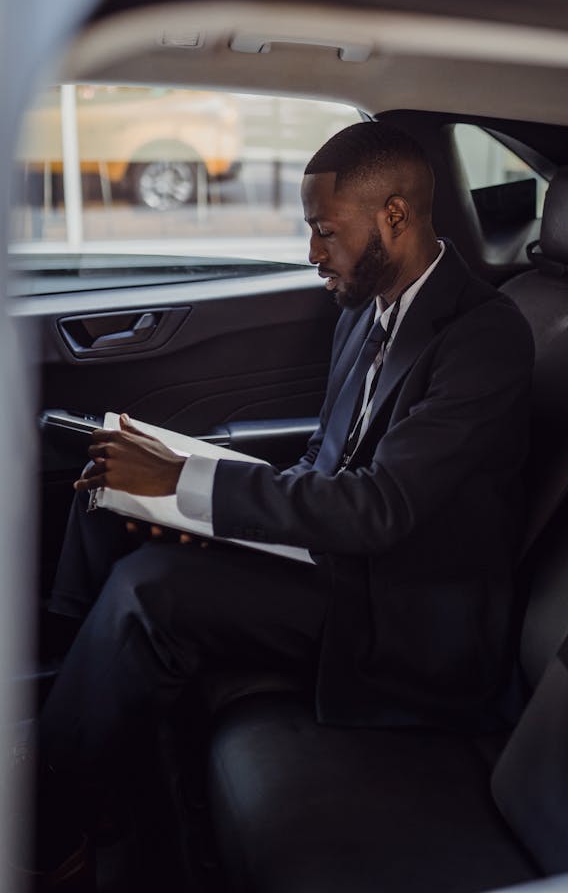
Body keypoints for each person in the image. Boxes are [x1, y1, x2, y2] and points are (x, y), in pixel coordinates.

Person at [26, 122, 534, 887]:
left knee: (150, 591)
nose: (311, 253)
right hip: (340, 556)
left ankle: (47, 819)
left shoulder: (485, 338)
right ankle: (66, 703)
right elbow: (322, 464)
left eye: (324, 231)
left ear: (393, 216)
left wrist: (189, 485)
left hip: (404, 607)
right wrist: (183, 487)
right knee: (111, 493)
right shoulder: (365, 306)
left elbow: (380, 509)